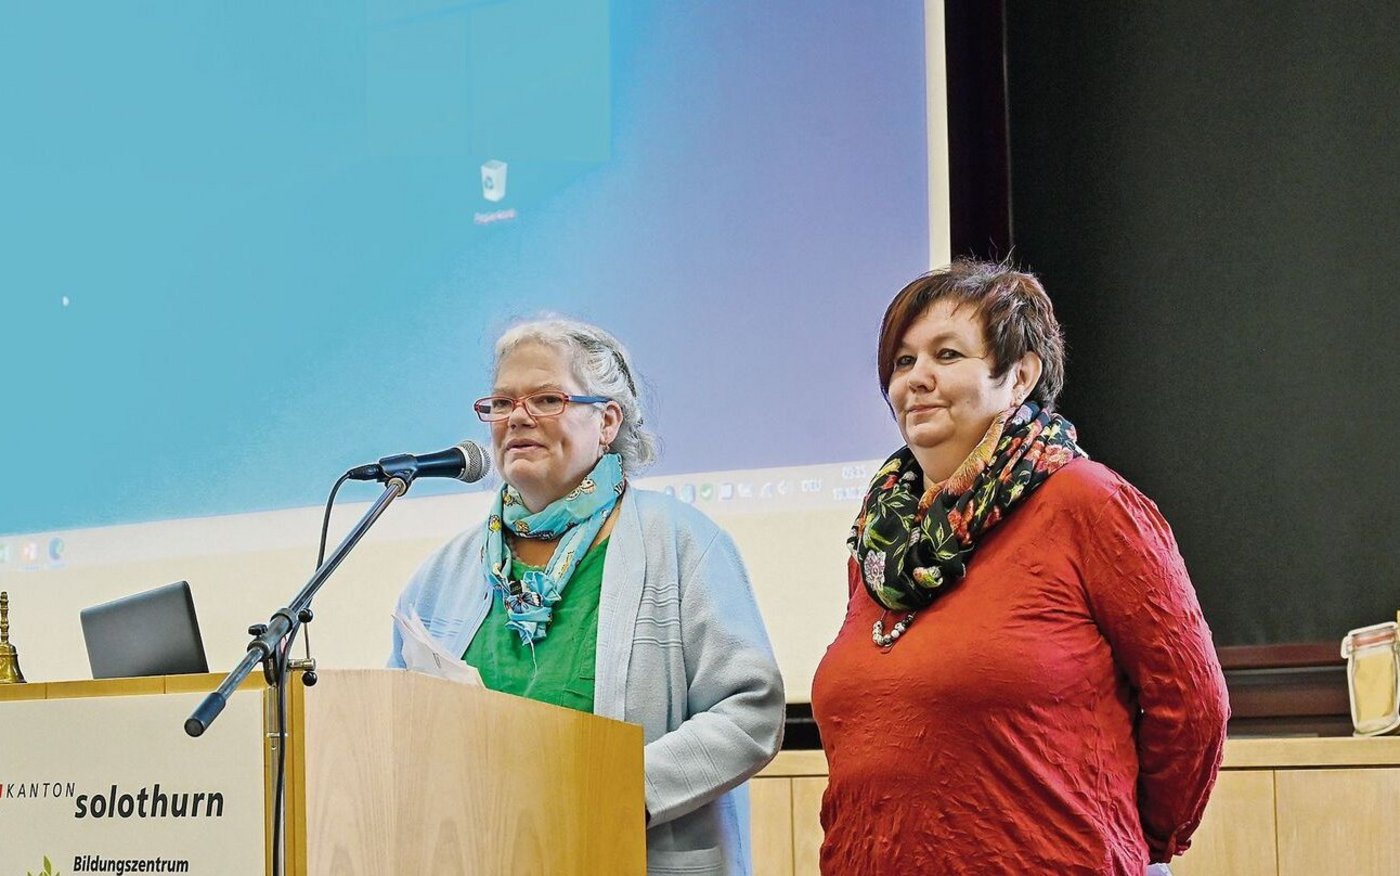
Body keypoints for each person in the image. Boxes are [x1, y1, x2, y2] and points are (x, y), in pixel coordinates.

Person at [811, 260, 1229, 875]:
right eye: (903, 362)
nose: (916, 379)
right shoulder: (884, 540)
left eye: (946, 355)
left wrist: (1137, 842)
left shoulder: (1087, 501)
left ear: (1018, 377)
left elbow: (1192, 704)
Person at [389, 317, 785, 876]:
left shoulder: (682, 542)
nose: (518, 417)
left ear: (607, 421)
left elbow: (750, 711)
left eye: (546, 398)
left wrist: (616, 793)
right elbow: (398, 727)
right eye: (502, 403)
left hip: (626, 852)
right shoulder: (442, 574)